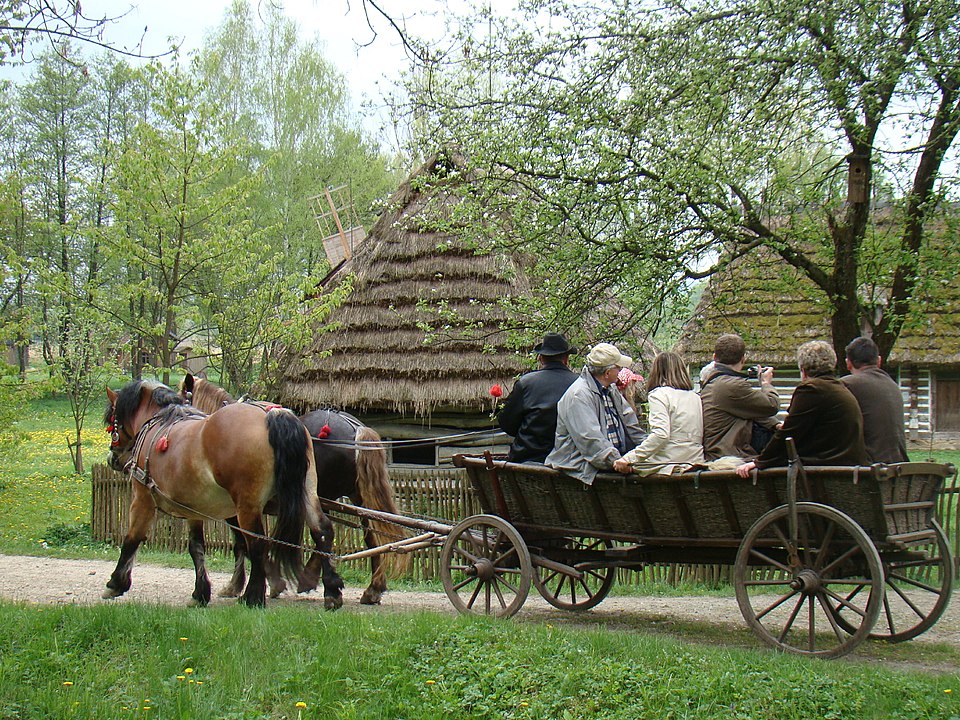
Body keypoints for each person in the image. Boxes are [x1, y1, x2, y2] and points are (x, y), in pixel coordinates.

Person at [736, 340, 867, 477]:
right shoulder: (839, 388)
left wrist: (759, 462)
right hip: (844, 464)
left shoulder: (811, 389)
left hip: (824, 469)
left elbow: (790, 432)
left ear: (803, 370)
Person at [546, 342, 647, 485]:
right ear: (607, 373)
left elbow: (631, 426)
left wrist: (648, 451)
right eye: (618, 367)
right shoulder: (579, 396)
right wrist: (618, 462)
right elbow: (591, 441)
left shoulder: (611, 389)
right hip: (581, 468)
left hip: (610, 461)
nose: (620, 370)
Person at [613, 352, 704, 476]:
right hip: (695, 459)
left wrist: (629, 458)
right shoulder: (695, 397)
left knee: (623, 467)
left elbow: (661, 435)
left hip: (668, 461)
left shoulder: (659, 395)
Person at [497, 332, 579, 463]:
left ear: (541, 358)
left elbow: (507, 424)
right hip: (569, 461)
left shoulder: (526, 383)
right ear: (566, 359)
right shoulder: (579, 384)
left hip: (528, 458)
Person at [700, 333, 781, 460]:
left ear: (714, 357)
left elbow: (747, 409)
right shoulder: (733, 385)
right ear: (743, 359)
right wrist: (766, 383)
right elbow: (772, 405)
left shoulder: (712, 382)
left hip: (718, 452)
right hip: (728, 456)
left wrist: (775, 424)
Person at [841, 336, 909, 463]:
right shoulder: (893, 386)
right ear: (879, 361)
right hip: (899, 464)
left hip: (871, 467)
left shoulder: (847, 384)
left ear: (848, 363)